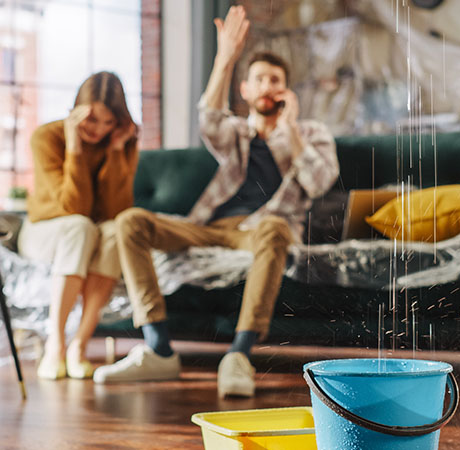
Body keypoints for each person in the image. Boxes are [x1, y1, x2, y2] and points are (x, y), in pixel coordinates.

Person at [93, 6, 339, 397]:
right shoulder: (236, 133)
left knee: (275, 227)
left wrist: (290, 128)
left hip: (262, 232)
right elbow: (209, 118)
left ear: (287, 91)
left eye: (274, 80)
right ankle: (157, 347)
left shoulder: (311, 133)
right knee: (130, 222)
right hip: (209, 227)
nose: (266, 86)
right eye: (258, 79)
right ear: (245, 90)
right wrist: (225, 58)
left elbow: (318, 182)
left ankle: (238, 355)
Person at [19, 72, 138, 380]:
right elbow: (74, 207)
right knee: (79, 226)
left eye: (108, 122)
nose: (98, 130)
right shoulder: (46, 137)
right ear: (75, 111)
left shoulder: (120, 141)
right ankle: (55, 345)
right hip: (45, 233)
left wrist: (115, 151)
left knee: (115, 231)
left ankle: (79, 346)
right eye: (91, 120)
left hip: (91, 233)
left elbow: (116, 210)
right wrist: (74, 147)